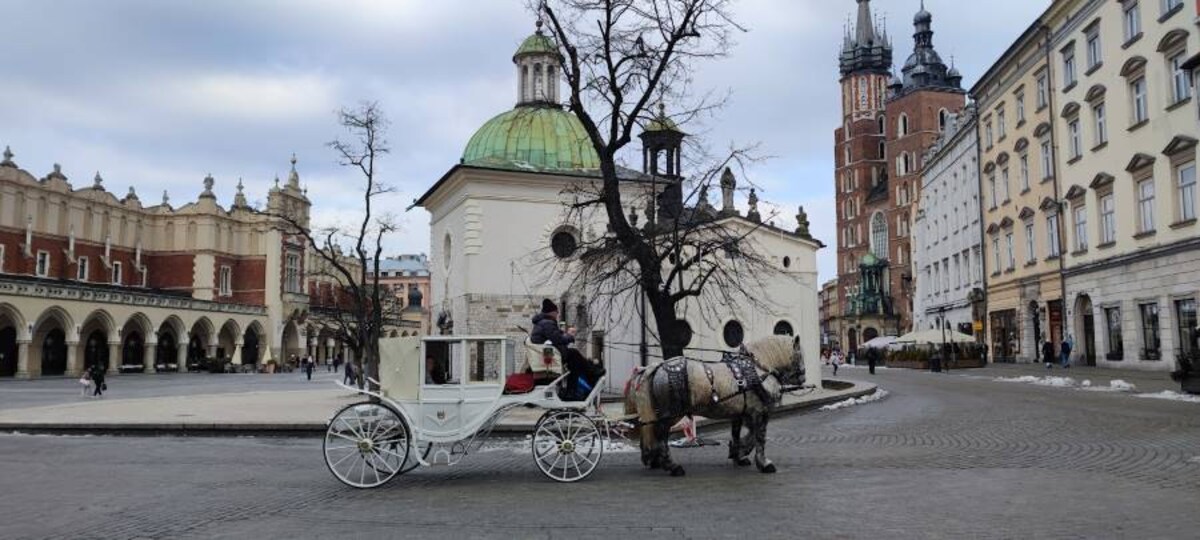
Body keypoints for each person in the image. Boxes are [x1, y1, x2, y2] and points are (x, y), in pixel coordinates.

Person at [531, 298, 603, 400]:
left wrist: (565, 334)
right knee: (575, 357)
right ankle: (586, 377)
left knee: (574, 357)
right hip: (552, 355)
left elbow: (555, 335)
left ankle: (586, 377)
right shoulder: (547, 323)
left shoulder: (542, 322)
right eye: (557, 313)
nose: (557, 315)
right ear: (552, 312)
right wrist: (569, 336)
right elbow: (558, 339)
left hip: (551, 352)